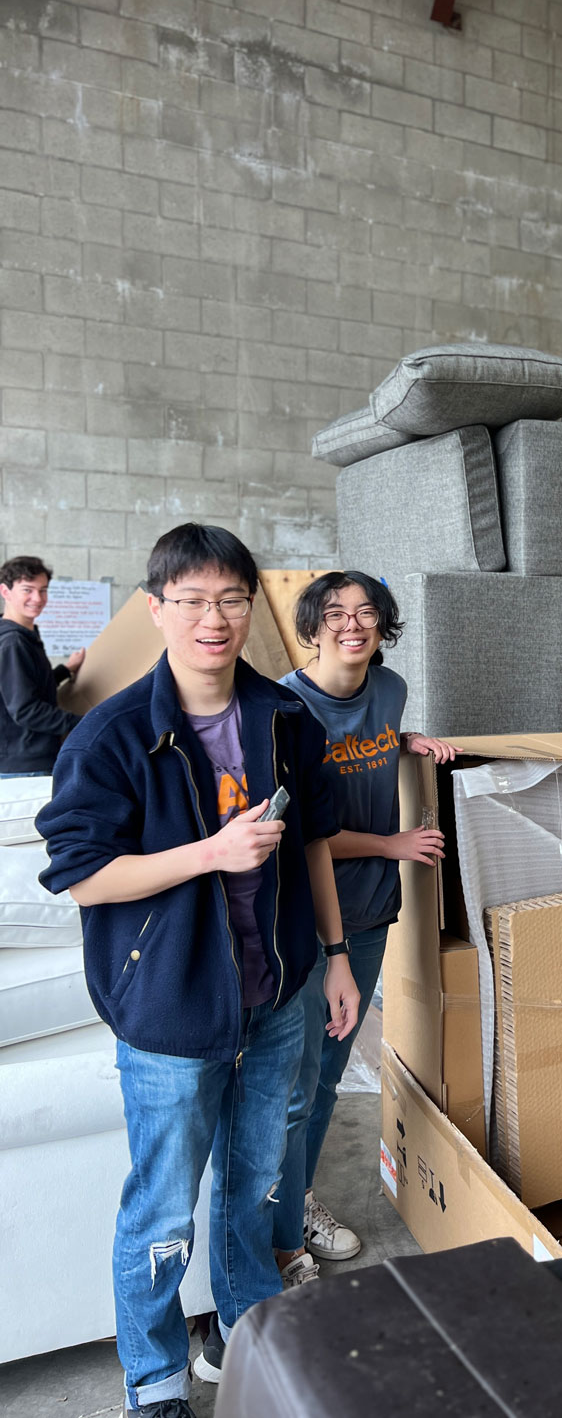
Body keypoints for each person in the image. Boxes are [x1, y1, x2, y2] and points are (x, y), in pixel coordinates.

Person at [36, 524, 360, 1418]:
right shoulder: (112, 736)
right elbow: (81, 876)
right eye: (191, 600)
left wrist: (333, 957)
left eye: (229, 599)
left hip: (278, 994)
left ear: (249, 610)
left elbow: (315, 843)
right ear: (157, 609)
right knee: (163, 1213)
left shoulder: (284, 717)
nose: (212, 618)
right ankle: (153, 1380)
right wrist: (210, 852)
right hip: (173, 1010)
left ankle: (241, 1340)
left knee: (256, 1186)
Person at [272, 570, 457, 1286]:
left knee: (324, 1081)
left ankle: (297, 1200)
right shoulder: (285, 708)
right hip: (310, 915)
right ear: (312, 627)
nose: (353, 625)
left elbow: (370, 743)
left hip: (375, 909)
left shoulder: (391, 691)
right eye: (336, 614)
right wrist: (393, 845)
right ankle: (280, 1232)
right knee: (294, 1083)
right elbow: (298, 830)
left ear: (383, 628)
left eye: (368, 614)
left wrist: (402, 739)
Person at [0, 554, 85, 776]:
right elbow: (26, 709)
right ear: (5, 592)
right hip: (26, 764)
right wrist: (85, 724)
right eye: (27, 590)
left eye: (43, 590)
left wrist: (65, 670)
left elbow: (28, 685)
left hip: (30, 758)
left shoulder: (25, 635)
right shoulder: (13, 642)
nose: (37, 598)